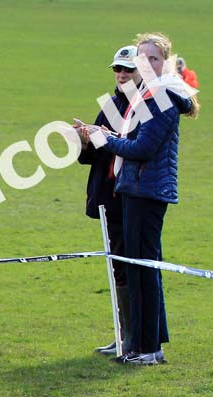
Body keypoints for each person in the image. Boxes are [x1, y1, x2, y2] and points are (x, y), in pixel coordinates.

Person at [85, 32, 199, 365]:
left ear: (164, 62)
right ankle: (141, 344)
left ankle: (148, 349)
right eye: (142, 58)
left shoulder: (162, 96)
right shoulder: (150, 94)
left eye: (153, 59)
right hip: (136, 190)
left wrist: (105, 141)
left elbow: (143, 148)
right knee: (139, 270)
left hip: (147, 192)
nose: (146, 64)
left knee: (143, 270)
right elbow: (133, 139)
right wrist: (106, 136)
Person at [75, 45, 137, 356]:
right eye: (118, 69)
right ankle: (124, 334)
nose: (122, 75)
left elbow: (135, 149)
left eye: (128, 69)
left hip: (124, 196)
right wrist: (85, 141)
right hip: (106, 195)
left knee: (126, 266)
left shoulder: (142, 107)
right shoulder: (113, 104)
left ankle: (132, 337)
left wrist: (105, 137)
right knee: (117, 267)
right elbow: (95, 155)